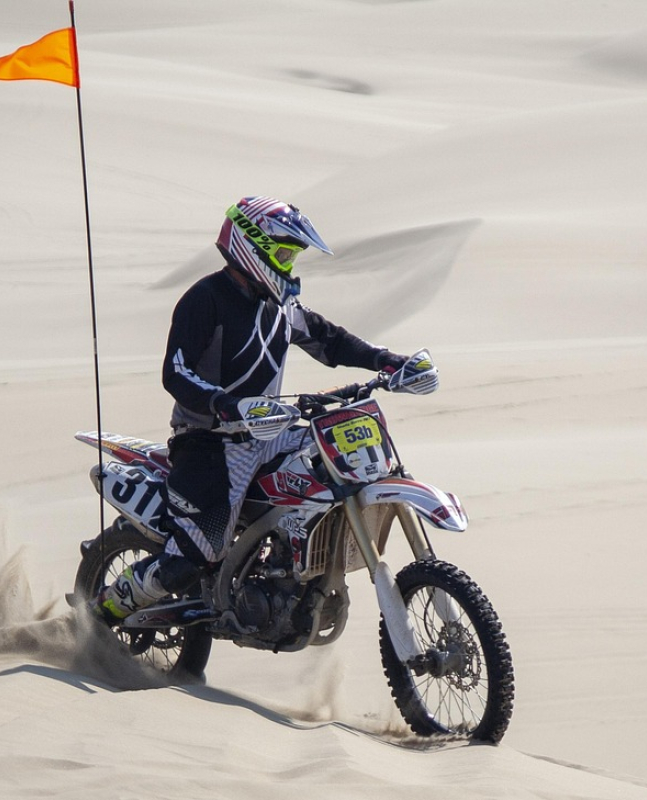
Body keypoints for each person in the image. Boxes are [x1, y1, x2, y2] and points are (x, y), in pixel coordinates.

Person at [91, 196, 411, 623]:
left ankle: (289, 569)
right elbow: (176, 373)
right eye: (284, 254)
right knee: (196, 555)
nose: (289, 266)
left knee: (332, 473)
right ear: (252, 247)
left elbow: (330, 340)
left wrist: (388, 361)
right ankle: (103, 610)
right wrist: (227, 405)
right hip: (210, 442)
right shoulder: (205, 298)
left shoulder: (281, 307)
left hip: (271, 432)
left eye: (293, 256)